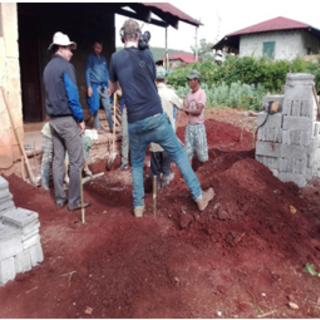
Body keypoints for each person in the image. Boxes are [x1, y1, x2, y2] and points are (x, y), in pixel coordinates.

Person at [108, 19, 214, 217]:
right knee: (180, 154)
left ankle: (138, 206)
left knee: (138, 164)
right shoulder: (147, 54)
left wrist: (112, 88)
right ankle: (199, 197)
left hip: (134, 121)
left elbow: (112, 89)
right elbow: (150, 78)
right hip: (156, 118)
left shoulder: (115, 58)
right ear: (138, 36)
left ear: (122, 36)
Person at [43, 31, 91, 211]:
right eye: (69, 49)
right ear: (61, 48)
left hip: (53, 121)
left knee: (57, 159)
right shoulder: (66, 67)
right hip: (66, 119)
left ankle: (59, 198)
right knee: (77, 161)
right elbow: (72, 96)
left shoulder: (47, 68)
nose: (71, 53)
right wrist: (80, 119)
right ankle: (74, 201)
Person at [149, 66, 183, 189]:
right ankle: (164, 194)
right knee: (166, 169)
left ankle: (155, 193)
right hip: (167, 137)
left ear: (155, 80)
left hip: (153, 138)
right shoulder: (170, 93)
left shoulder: (149, 94)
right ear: (165, 79)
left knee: (155, 170)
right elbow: (181, 105)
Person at [85, 39, 113, 134]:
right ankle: (97, 127)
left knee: (108, 106)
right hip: (94, 85)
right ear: (93, 47)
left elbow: (106, 73)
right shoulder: (90, 58)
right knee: (95, 106)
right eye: (97, 47)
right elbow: (87, 72)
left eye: (100, 48)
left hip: (104, 86)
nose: (98, 49)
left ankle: (111, 126)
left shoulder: (104, 59)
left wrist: (109, 86)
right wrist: (89, 86)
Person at [182, 70, 209, 167]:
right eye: (188, 80)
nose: (189, 82)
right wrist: (185, 108)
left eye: (191, 80)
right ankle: (188, 172)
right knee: (187, 151)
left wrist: (186, 109)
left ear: (197, 80)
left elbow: (198, 111)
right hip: (190, 126)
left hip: (199, 126)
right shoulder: (189, 95)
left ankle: (201, 172)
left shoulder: (201, 93)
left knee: (201, 151)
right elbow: (186, 110)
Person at [117, 88, 130, 170]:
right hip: (126, 109)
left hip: (137, 110)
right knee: (125, 135)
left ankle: (136, 162)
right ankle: (124, 161)